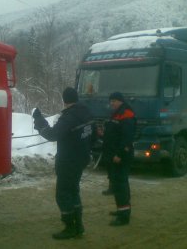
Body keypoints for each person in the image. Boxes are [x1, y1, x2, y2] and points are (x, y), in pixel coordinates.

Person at [32, 87, 93, 240]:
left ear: (64, 100)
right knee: (73, 191)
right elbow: (91, 136)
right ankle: (79, 226)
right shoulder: (86, 113)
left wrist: (39, 121)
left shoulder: (69, 117)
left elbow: (52, 134)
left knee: (63, 194)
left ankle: (70, 227)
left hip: (68, 161)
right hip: (80, 159)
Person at [102, 92, 136, 226]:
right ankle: (122, 209)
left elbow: (127, 138)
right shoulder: (117, 113)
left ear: (120, 101)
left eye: (114, 101)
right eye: (111, 101)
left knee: (120, 184)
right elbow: (114, 132)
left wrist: (120, 155)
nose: (112, 103)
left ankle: (123, 216)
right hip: (114, 155)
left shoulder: (126, 114)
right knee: (118, 183)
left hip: (121, 157)